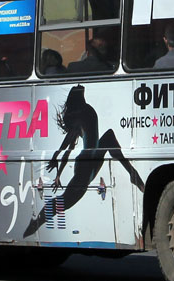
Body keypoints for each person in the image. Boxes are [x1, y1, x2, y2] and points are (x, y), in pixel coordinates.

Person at [24, 85, 144, 237]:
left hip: (92, 157)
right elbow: (68, 145)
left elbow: (67, 148)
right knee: (65, 201)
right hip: (87, 162)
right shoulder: (83, 114)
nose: (82, 87)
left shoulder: (86, 110)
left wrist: (58, 170)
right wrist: (57, 162)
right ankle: (37, 222)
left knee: (109, 137)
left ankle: (133, 174)